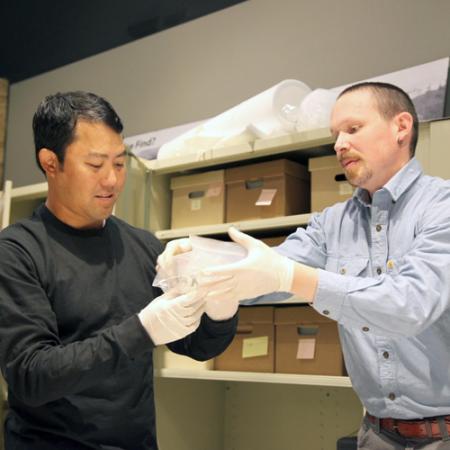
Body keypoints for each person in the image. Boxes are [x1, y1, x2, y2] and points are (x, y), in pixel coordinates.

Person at [159, 82, 450, 449]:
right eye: (335, 134)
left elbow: (410, 305)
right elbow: (268, 268)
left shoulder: (442, 207)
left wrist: (296, 278)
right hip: (376, 435)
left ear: (401, 127)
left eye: (353, 129)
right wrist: (194, 258)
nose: (339, 144)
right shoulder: (332, 223)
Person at [0, 91, 238, 450]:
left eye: (120, 163)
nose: (112, 180)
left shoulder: (142, 245)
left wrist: (221, 303)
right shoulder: (17, 251)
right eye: (95, 166)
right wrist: (140, 330)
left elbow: (197, 345)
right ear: (51, 163)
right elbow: (32, 375)